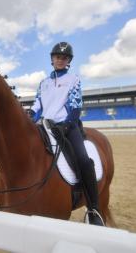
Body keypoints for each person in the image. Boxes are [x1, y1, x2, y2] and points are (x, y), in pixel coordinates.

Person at [30, 42, 104, 226]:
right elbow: (38, 104)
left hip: (68, 127)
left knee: (84, 160)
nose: (60, 60)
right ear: (52, 59)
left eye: (64, 57)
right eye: (57, 57)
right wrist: (30, 115)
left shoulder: (74, 79)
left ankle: (93, 208)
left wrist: (67, 124)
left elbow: (75, 105)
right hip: (45, 126)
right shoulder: (44, 83)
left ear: (68, 61)